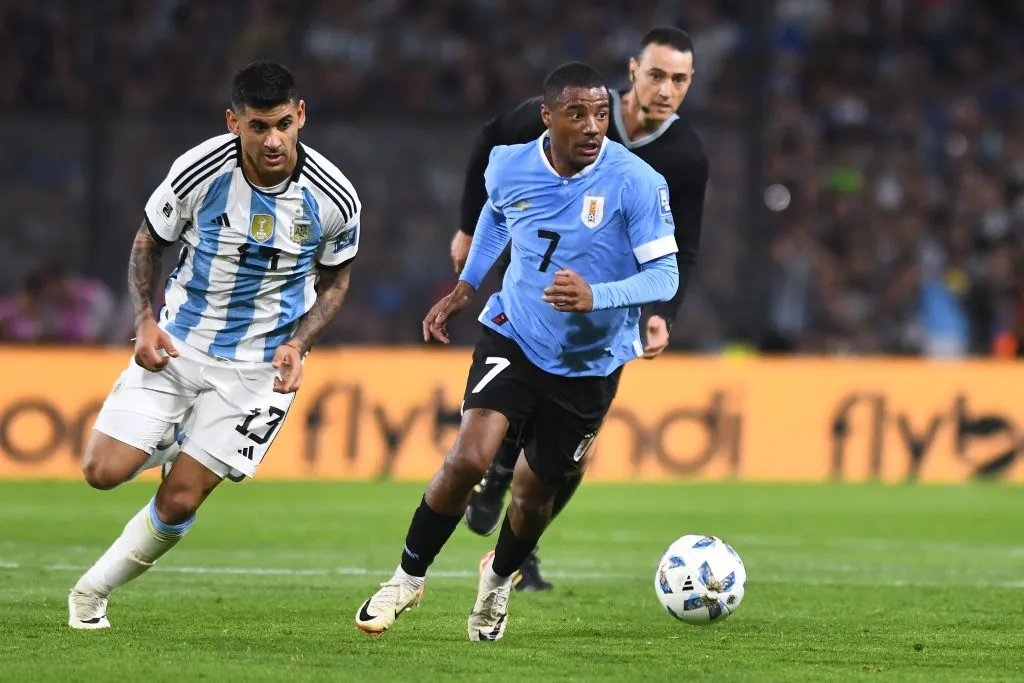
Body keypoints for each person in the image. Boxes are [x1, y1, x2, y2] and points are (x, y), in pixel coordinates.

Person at [355, 62, 679, 641]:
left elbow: (666, 276)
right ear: (547, 117)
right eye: (577, 113)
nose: (592, 126)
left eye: (601, 113)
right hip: (515, 331)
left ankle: (498, 582)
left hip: (591, 360)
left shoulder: (637, 181)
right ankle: (404, 580)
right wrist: (468, 283)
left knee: (533, 492)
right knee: (469, 459)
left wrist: (596, 296)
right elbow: (499, 213)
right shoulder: (508, 162)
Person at [67, 61, 361, 629]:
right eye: (257, 126)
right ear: (234, 123)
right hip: (179, 345)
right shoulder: (197, 171)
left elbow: (338, 280)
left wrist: (301, 343)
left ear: (300, 116)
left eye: (281, 124)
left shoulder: (334, 197)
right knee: (101, 472)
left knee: (179, 500)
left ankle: (90, 593)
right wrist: (144, 319)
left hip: (260, 372)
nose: (272, 140)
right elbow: (148, 241)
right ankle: (181, 435)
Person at [450, 27, 709, 590]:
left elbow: (680, 249)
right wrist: (469, 228)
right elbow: (491, 143)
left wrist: (666, 311)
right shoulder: (574, 110)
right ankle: (494, 476)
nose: (667, 89)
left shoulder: (685, 156)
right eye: (658, 74)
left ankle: (520, 552)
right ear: (633, 70)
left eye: (680, 79)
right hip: (534, 282)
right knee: (518, 391)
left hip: (604, 315)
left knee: (567, 458)